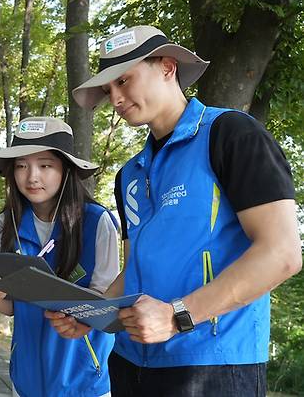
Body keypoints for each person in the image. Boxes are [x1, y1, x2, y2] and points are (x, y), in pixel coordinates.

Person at [48, 25, 302, 396]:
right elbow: (133, 267)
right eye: (108, 89)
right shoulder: (129, 174)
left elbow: (282, 254)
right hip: (130, 359)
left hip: (212, 364)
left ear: (167, 67)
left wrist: (177, 315)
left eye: (124, 80)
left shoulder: (231, 134)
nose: (115, 98)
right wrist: (93, 313)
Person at [0, 116, 120, 397]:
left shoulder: (96, 222)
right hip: (27, 373)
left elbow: (106, 298)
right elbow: (10, 306)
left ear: (66, 169)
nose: (32, 176)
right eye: (21, 166)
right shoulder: (5, 225)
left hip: (83, 374)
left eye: (45, 165)